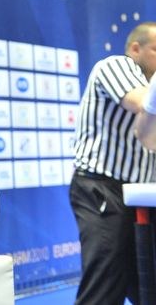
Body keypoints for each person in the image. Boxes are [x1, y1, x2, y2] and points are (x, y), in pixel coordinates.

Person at [71, 21, 156, 305]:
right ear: (136, 48)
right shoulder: (115, 66)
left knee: (148, 286)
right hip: (103, 189)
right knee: (105, 286)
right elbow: (139, 101)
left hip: (143, 198)